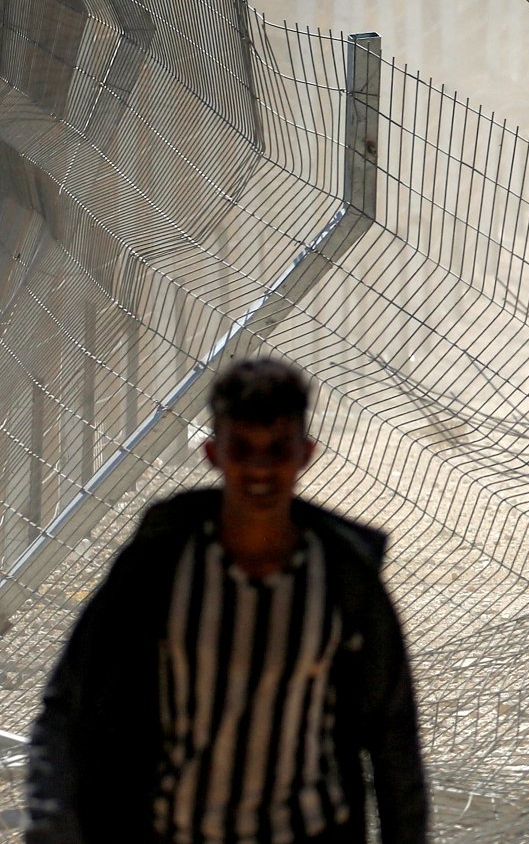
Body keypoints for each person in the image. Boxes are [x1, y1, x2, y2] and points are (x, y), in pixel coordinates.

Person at [26, 357, 429, 843]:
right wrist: (53, 824)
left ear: (305, 453)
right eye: (243, 449)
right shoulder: (160, 567)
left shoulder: (344, 578)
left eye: (277, 449)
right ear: (214, 454)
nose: (260, 468)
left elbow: (392, 734)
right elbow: (69, 705)